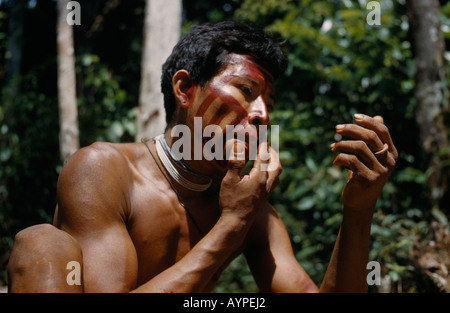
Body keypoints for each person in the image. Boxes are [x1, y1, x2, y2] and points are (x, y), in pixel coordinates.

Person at [7, 21, 398, 293]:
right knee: (41, 244)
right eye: (245, 90)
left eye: (268, 102)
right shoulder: (104, 170)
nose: (262, 113)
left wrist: (359, 207)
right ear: (184, 89)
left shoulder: (252, 210)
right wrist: (231, 225)